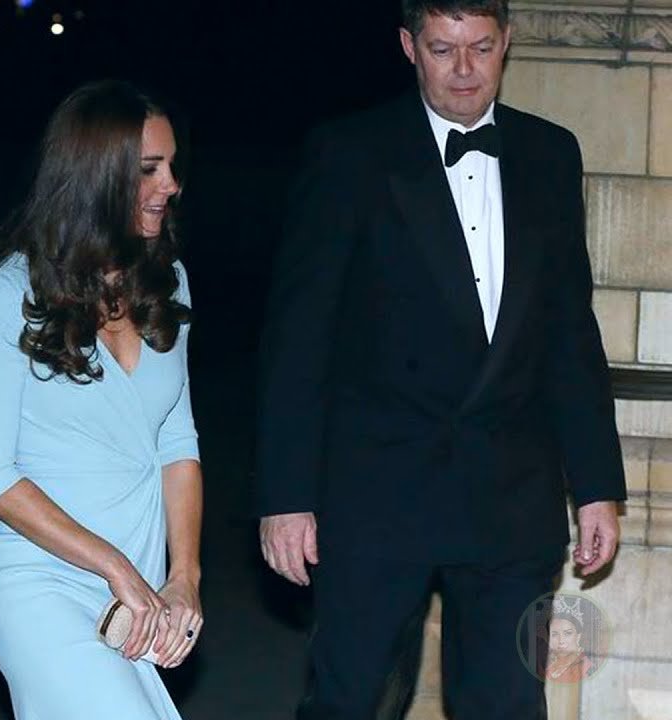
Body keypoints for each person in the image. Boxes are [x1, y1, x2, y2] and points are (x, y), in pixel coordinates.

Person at [253, 1, 626, 716]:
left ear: (506, 43)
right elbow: (299, 338)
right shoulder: (349, 153)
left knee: (509, 705)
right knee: (350, 698)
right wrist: (286, 497)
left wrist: (598, 484)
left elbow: (569, 338)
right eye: (443, 48)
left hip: (510, 497)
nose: (464, 70)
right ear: (408, 46)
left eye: (481, 49)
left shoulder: (551, 154)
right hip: (377, 493)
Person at [0, 80, 204, 720]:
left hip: (138, 599)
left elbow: (177, 442)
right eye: (150, 169)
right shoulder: (9, 296)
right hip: (43, 584)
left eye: (172, 165)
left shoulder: (166, 280)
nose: (171, 184)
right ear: (99, 177)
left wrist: (185, 575)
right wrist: (115, 565)